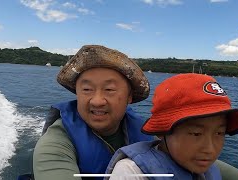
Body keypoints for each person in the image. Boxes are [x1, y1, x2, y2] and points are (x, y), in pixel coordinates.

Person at [32, 45, 153, 180]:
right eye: (87, 89)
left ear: (129, 96)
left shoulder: (150, 135)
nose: (97, 101)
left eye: (109, 89)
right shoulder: (55, 145)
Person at [106, 73, 238, 180]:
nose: (210, 149)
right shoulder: (132, 172)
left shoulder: (208, 170)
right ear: (161, 132)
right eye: (196, 134)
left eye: (219, 133)